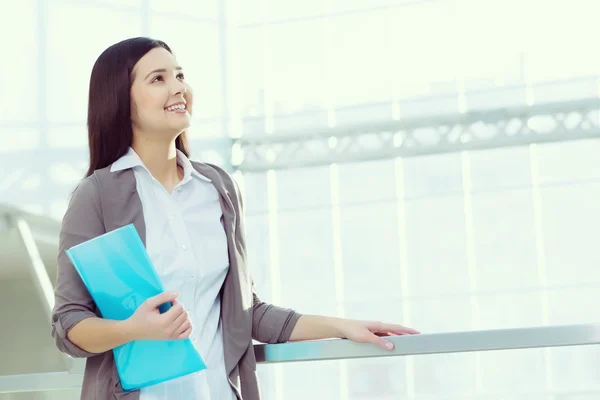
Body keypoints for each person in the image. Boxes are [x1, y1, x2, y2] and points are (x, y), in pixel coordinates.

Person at [50, 37, 419, 400]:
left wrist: (342, 327)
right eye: (158, 79)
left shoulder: (217, 188)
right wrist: (133, 329)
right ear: (121, 101)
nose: (179, 88)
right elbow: (68, 325)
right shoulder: (97, 196)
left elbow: (246, 311)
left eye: (180, 76)